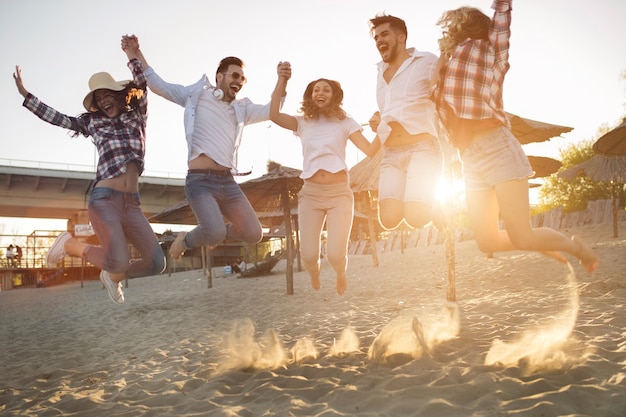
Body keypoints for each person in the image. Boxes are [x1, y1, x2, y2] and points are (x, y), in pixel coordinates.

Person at [432, 0, 599, 272]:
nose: (449, 30)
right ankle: (536, 241)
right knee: (486, 242)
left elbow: (502, 20)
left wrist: (502, 7)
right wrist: (441, 58)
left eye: (454, 26)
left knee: (522, 234)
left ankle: (573, 246)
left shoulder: (490, 52)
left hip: (497, 149)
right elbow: (437, 107)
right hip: (470, 160)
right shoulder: (446, 65)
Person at [12, 36, 166, 304]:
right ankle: (71, 245)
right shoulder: (92, 123)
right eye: (99, 97)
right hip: (104, 199)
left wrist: (132, 54)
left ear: (119, 96)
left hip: (132, 203)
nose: (104, 100)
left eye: (108, 94)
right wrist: (27, 96)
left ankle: (112, 276)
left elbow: (142, 85)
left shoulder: (136, 117)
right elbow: (58, 118)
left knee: (155, 263)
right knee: (118, 258)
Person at [124, 35, 284, 260]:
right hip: (200, 181)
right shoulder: (195, 95)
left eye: (243, 78)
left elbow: (273, 110)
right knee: (214, 230)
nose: (239, 80)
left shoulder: (242, 109)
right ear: (220, 76)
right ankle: (187, 240)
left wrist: (282, 82)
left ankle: (213, 235)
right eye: (235, 75)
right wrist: (135, 53)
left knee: (253, 233)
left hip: (228, 182)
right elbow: (158, 85)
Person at [270, 62, 380, 295]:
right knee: (308, 255)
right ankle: (314, 273)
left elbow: (370, 150)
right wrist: (282, 80)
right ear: (311, 95)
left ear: (334, 97)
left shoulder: (346, 122)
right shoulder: (302, 122)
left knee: (335, 254)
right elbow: (274, 115)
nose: (320, 92)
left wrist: (380, 130)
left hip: (339, 193)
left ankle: (341, 274)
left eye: (326, 90)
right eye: (316, 89)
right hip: (310, 194)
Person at [368, 13, 444, 231]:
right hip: (391, 154)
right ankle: (425, 199)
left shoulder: (427, 61)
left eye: (385, 34)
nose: (379, 40)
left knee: (416, 218)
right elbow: (392, 110)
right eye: (376, 38)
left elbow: (444, 89)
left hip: (423, 149)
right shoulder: (379, 72)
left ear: (401, 37)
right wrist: (379, 121)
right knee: (389, 220)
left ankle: (437, 204)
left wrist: (445, 57)